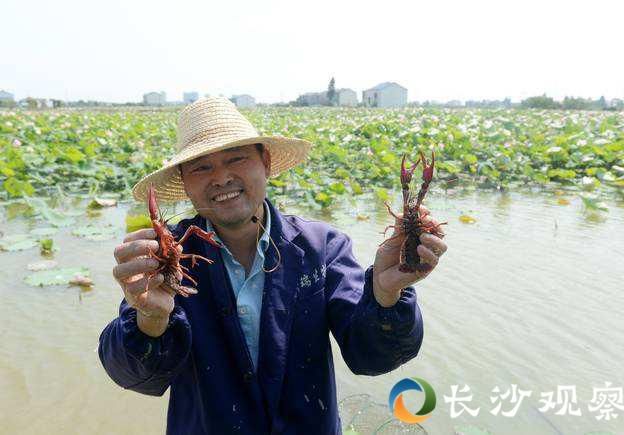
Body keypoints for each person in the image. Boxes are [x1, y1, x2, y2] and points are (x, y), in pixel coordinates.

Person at [99, 97, 447, 434]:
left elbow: (371, 357)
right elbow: (133, 375)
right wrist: (150, 319)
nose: (220, 178)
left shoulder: (322, 247)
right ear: (185, 183)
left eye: (236, 159)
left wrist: (385, 294)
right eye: (201, 167)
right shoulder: (164, 257)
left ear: (265, 162)